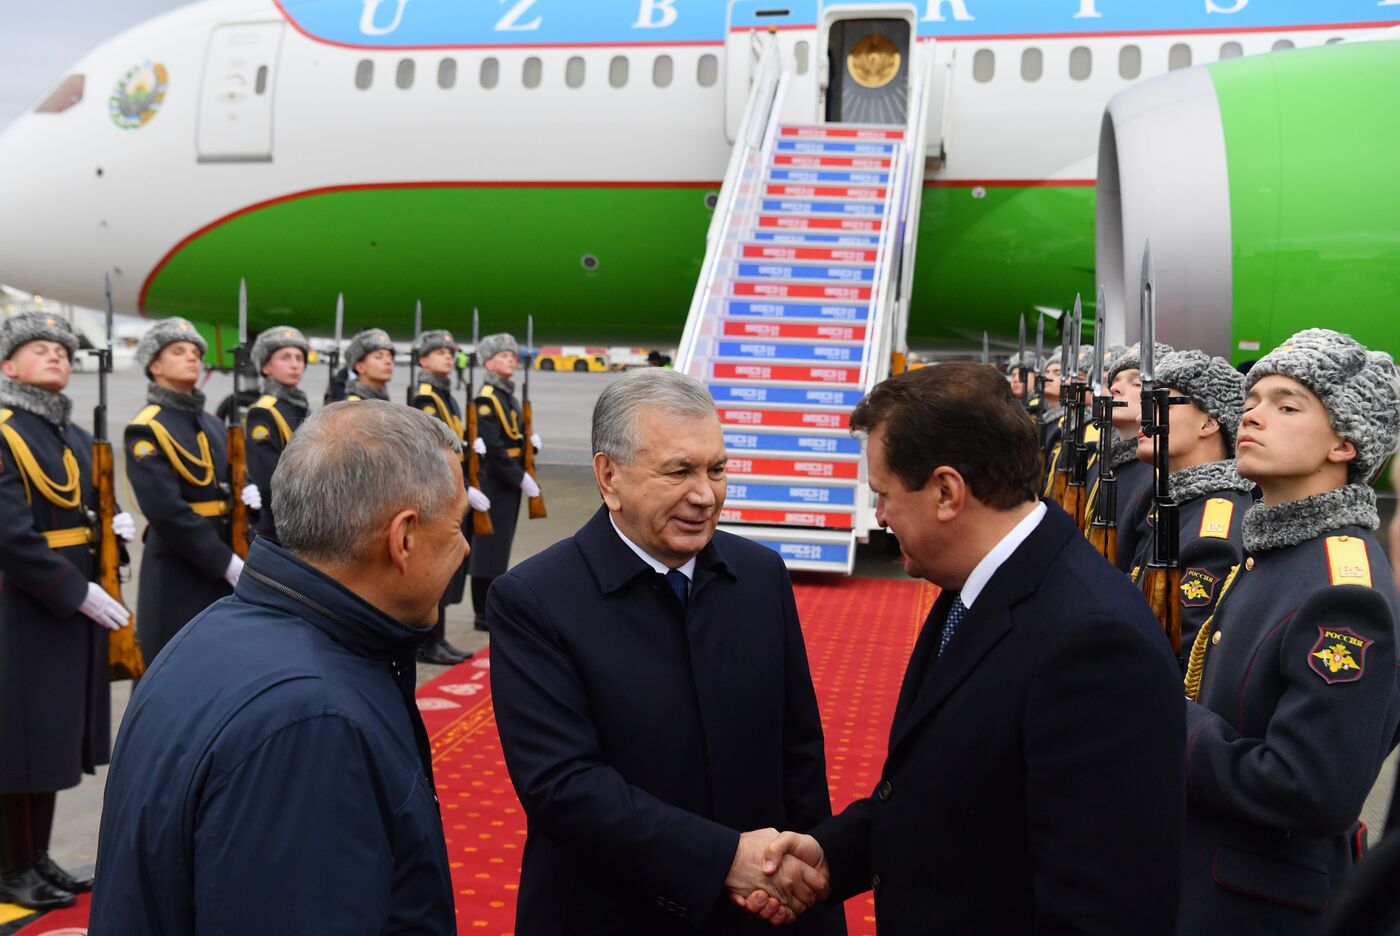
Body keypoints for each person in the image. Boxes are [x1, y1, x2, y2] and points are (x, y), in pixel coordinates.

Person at [750, 363, 1184, 934]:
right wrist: (830, 856)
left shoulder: (1093, 643)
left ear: (947, 492)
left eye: (883, 494)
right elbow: (947, 796)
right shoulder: (980, 584)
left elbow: (1101, 907)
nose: (878, 515)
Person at [488, 368, 844, 935]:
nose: (705, 495)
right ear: (609, 476)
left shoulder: (760, 575)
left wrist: (815, 899)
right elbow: (563, 785)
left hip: (761, 915)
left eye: (717, 469)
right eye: (678, 471)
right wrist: (724, 858)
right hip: (609, 915)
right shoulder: (535, 598)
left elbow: (798, 754)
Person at [89, 401, 463, 932]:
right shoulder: (312, 721)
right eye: (454, 529)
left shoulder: (216, 628)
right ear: (402, 538)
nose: (465, 546)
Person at [1179, 329, 1400, 936]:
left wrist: (1175, 724)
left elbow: (1312, 789)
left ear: (1345, 443)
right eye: (1252, 401)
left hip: (1258, 906)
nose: (1252, 414)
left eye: (1287, 404)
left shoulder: (1342, 590)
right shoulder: (1277, 550)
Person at [0, 313, 134, 911]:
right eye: (39, 348)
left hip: (62, 609)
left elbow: (85, 515)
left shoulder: (71, 434)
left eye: (61, 349)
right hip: (20, 609)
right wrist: (72, 590)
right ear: (8, 366)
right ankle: (9, 868)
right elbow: (9, 534)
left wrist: (115, 533)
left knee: (50, 742)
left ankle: (35, 857)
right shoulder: (5, 430)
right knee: (15, 747)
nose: (56, 356)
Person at [125, 318, 254, 665]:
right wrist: (223, 561)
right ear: (155, 365)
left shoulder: (211, 423)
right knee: (173, 668)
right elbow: (166, 511)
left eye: (196, 352)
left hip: (222, 561)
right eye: (178, 351)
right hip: (178, 571)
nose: (192, 357)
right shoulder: (147, 427)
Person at [1126, 349, 1254, 662]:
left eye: (1163, 402)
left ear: (1209, 423)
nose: (1147, 415)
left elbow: (1178, 648)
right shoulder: (1179, 501)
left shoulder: (1214, 524)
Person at [410, 327, 489, 665]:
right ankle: (429, 642)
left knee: (449, 563)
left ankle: (438, 638)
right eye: (439, 352)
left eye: (450, 352)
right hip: (439, 487)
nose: (448, 356)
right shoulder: (427, 395)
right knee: (436, 562)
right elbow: (431, 448)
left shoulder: (447, 394)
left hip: (454, 483)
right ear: (423, 359)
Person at [468, 332, 541, 631]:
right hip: (495, 482)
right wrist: (520, 476)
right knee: (488, 549)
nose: (510, 359)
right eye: (502, 355)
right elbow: (494, 447)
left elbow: (511, 438)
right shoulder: (487, 399)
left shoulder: (507, 395)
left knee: (500, 547)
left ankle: (491, 608)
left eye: (512, 356)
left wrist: (530, 447)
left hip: (508, 480)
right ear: (487, 362)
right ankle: (482, 613)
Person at [1093, 341, 1172, 572]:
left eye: (1136, 382)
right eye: (1115, 381)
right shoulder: (1108, 462)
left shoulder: (1155, 475)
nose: (1116, 389)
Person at [244, 325, 310, 542]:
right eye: (285, 357)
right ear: (266, 367)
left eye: (299, 358)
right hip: (280, 527)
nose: (295, 364)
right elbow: (266, 478)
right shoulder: (264, 412)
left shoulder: (299, 405)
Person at [342, 327, 394, 402]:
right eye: (378, 357)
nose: (388, 361)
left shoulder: (381, 400)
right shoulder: (355, 405)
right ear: (360, 367)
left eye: (390, 357)